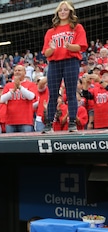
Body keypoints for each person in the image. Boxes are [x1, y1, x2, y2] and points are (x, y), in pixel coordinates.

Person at [42, 1, 87, 133]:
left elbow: (80, 47)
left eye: (65, 10)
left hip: (71, 61)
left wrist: (69, 46)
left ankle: (72, 122)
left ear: (70, 12)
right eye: (60, 10)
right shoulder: (51, 31)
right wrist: (51, 48)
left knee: (71, 93)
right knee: (53, 94)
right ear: (57, 12)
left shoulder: (77, 27)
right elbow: (46, 53)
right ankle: (49, 123)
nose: (62, 12)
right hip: (55, 63)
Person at [0, 65, 38, 133]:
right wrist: (13, 91)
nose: (17, 72)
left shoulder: (31, 84)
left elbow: (31, 96)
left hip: (26, 121)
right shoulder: (8, 85)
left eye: (19, 70)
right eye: (15, 70)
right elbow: (2, 99)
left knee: (26, 143)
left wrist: (20, 87)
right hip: (10, 121)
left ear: (25, 72)